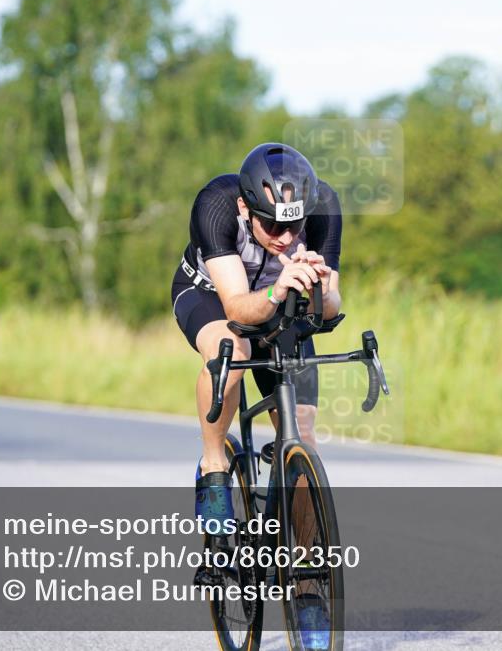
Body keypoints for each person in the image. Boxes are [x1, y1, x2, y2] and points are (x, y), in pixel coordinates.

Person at [171, 143, 341, 647]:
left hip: (281, 304)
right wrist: (277, 286)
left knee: (303, 437)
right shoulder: (218, 204)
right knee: (230, 348)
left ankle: (308, 586)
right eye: (273, 226)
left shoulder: (323, 207)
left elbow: (329, 312)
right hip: (213, 298)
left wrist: (321, 285)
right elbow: (240, 308)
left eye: (295, 226)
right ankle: (214, 466)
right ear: (247, 208)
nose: (286, 237)